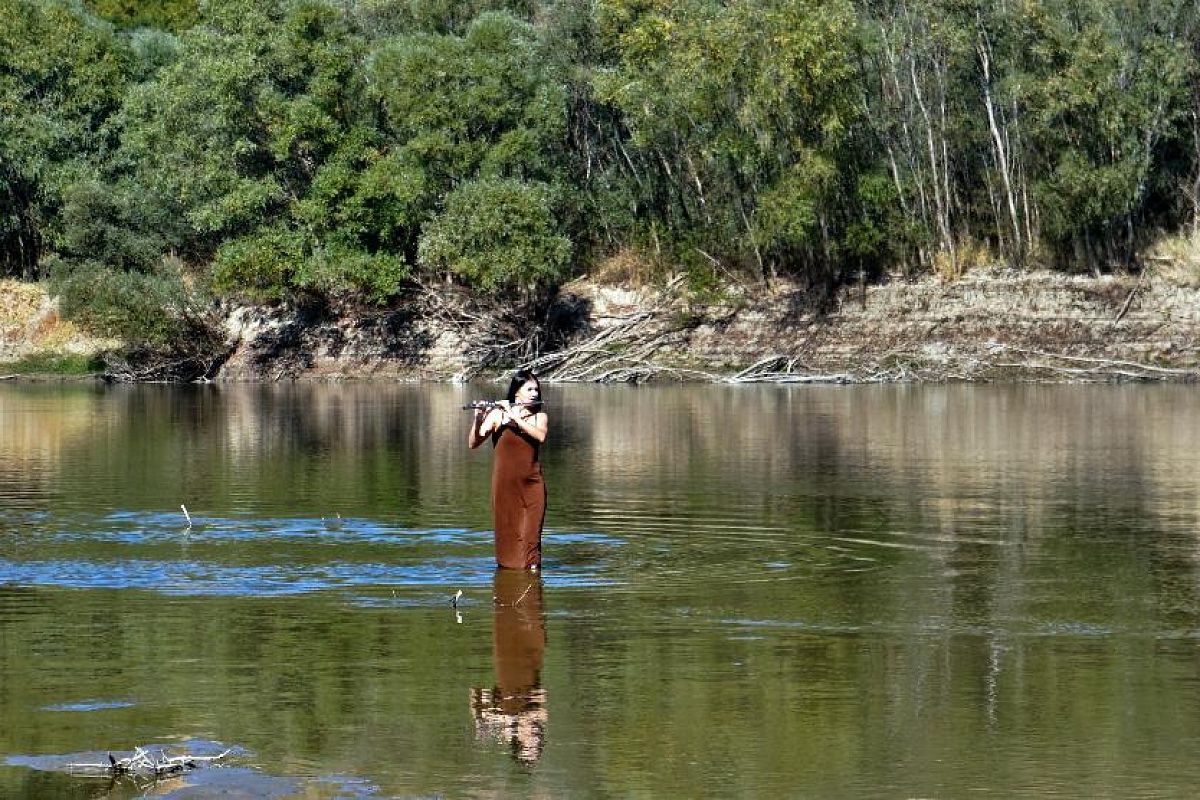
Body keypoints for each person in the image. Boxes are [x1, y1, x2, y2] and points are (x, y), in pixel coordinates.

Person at [468, 370, 548, 570]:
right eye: (529, 389)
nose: (534, 393)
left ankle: (532, 579)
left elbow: (540, 436)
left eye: (536, 389)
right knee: (507, 536)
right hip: (505, 486)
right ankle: (509, 585)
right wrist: (478, 418)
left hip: (532, 485)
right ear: (516, 393)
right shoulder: (497, 415)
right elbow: (473, 443)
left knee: (532, 538)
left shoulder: (539, 417)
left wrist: (514, 416)